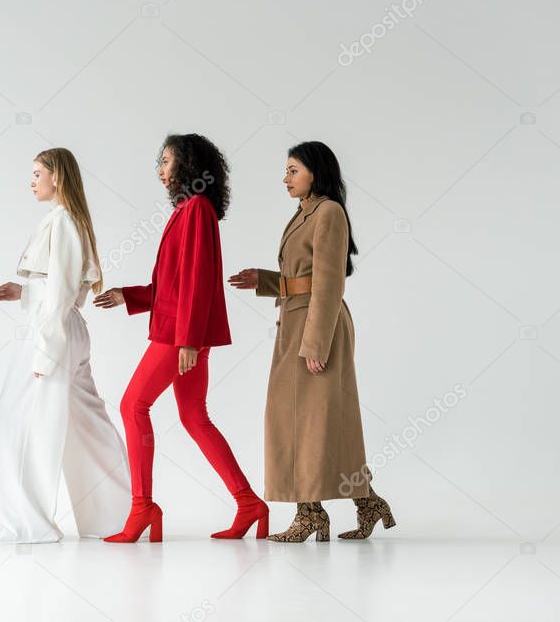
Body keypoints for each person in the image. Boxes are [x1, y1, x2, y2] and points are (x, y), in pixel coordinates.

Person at [94, 133, 268, 543]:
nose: (160, 170)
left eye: (167, 161)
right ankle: (248, 503)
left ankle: (143, 508)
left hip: (179, 335)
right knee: (194, 417)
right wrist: (129, 295)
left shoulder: (196, 210)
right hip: (183, 331)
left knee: (132, 405)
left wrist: (189, 340)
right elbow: (173, 284)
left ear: (188, 165)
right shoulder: (191, 210)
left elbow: (197, 281)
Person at [229, 140, 395, 542]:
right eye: (286, 170)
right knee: (304, 420)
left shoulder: (329, 212)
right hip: (294, 319)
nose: (285, 178)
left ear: (315, 173)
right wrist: (266, 281)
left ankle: (313, 514)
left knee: (314, 421)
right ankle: (361, 503)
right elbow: (302, 275)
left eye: (293, 170)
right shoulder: (305, 213)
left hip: (316, 325)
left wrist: (316, 343)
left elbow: (329, 282)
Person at [0, 148, 130, 543]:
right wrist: (23, 291)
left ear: (57, 177)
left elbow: (64, 292)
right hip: (64, 329)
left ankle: (27, 523)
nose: (31, 181)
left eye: (37, 174)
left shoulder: (63, 222)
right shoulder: (65, 221)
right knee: (87, 424)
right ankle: (123, 514)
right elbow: (58, 287)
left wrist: (46, 350)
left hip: (54, 333)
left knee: (20, 420)